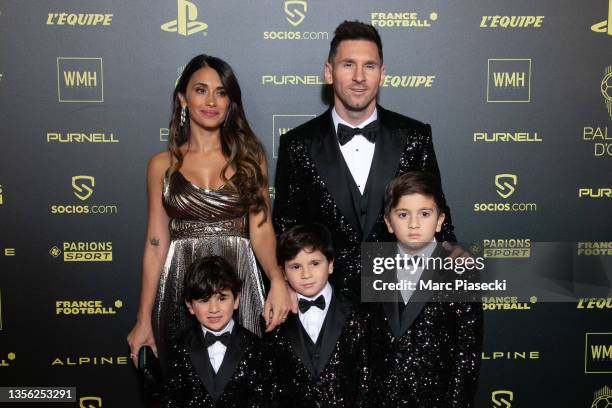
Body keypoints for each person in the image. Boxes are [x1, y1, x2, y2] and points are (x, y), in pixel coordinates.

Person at [127, 54, 293, 371]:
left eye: (221, 92)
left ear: (230, 102)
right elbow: (155, 243)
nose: (211, 101)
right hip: (180, 283)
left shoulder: (250, 158)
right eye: (201, 90)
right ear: (182, 99)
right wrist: (143, 317)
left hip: (239, 275)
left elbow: (261, 229)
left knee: (247, 382)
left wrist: (278, 280)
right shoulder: (160, 166)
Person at [273, 20, 456, 305]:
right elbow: (286, 226)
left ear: (382, 74)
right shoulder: (297, 144)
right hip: (327, 305)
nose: (359, 77)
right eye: (348, 65)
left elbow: (440, 218)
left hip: (399, 303)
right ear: (329, 72)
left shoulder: (415, 136)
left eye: (369, 66)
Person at [367, 171, 482, 407]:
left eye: (425, 214)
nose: (414, 224)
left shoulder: (461, 271)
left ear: (440, 221)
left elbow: (467, 356)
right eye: (403, 214)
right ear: (389, 222)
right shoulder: (371, 267)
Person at [265, 224, 368, 408]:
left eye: (314, 263)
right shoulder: (275, 319)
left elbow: (365, 381)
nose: (306, 274)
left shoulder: (358, 313)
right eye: (296, 266)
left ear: (330, 265)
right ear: (284, 273)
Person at [163, 256, 271, 407]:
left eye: (222, 299)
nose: (214, 309)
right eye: (204, 300)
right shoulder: (178, 347)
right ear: (189, 305)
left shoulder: (257, 347)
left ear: (237, 300)